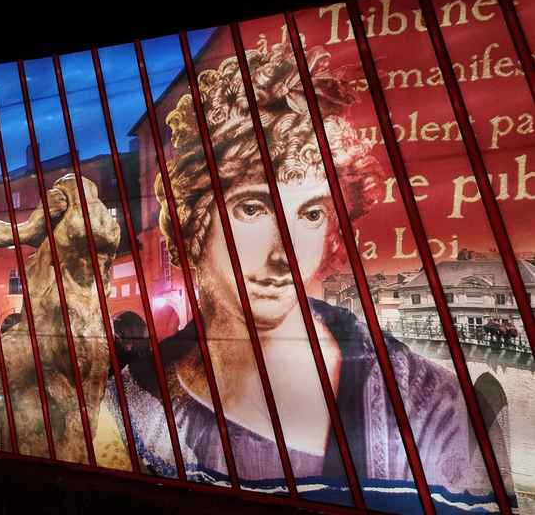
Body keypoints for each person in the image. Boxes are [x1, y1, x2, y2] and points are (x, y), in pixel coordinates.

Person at [95, 41, 500, 506]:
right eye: (253, 208)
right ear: (196, 225)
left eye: (310, 214)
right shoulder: (134, 402)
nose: (284, 254)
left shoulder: (428, 403)